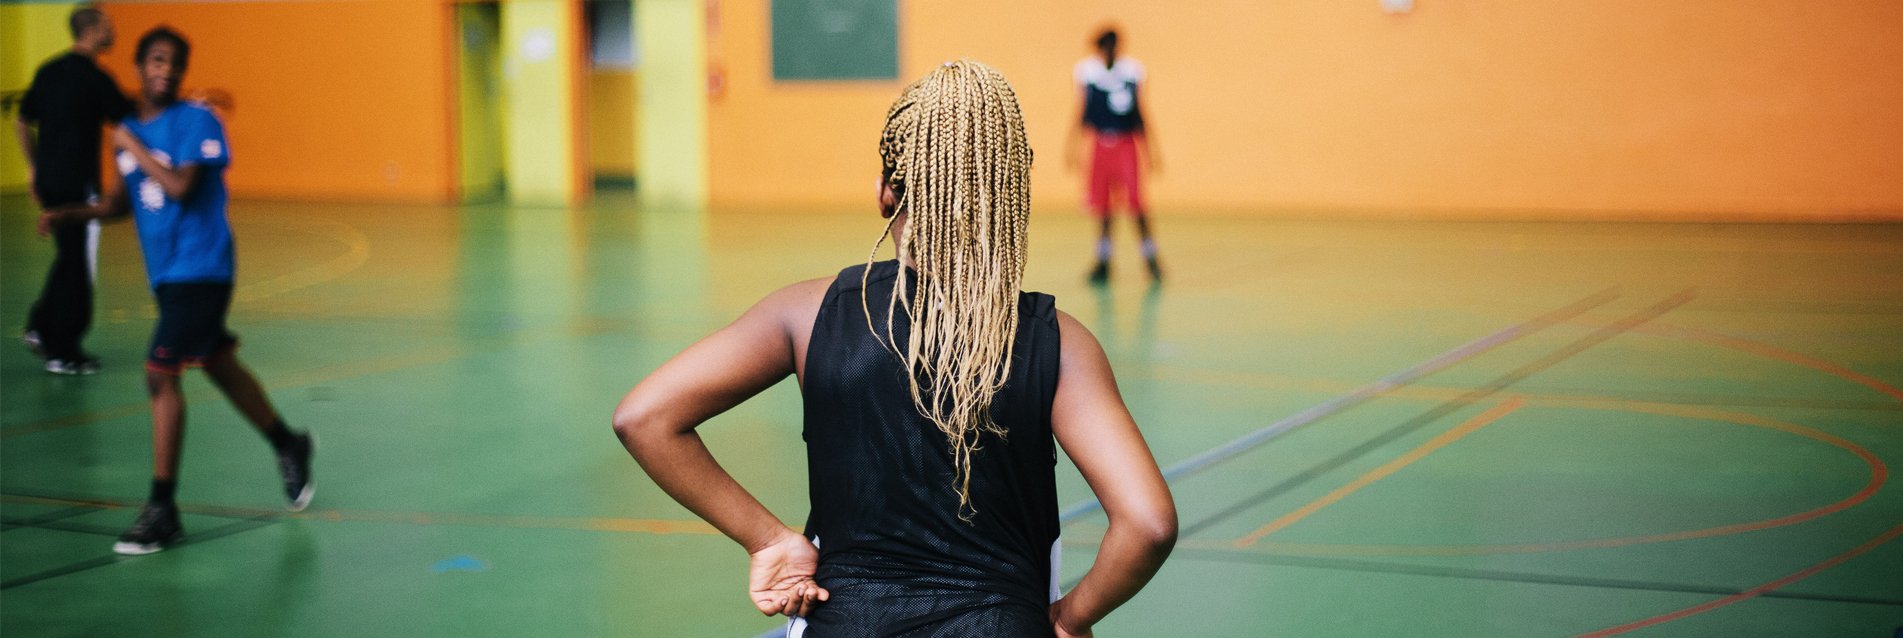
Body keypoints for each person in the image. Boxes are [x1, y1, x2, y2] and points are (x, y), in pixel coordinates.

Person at [614, 60, 1175, 637]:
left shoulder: (806, 314)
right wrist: (1071, 620)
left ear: (886, 192)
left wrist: (768, 539)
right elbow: (1147, 523)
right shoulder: (1059, 341)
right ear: (1009, 196)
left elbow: (645, 417)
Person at [37, 26, 315, 556]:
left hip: (204, 267)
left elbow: (181, 188)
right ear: (139, 67)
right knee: (216, 364)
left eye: (175, 64)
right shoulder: (128, 131)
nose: (166, 70)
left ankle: (163, 509)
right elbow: (123, 202)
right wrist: (71, 212)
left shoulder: (196, 121)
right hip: (166, 274)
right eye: (157, 61)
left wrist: (131, 145)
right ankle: (289, 442)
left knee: (159, 372)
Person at [15, 5, 135, 374]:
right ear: (93, 29)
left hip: (51, 181)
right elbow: (127, 120)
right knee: (77, 266)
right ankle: (62, 350)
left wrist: (34, 169)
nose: (113, 30)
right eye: (108, 25)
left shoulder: (49, 71)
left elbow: (22, 119)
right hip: (78, 188)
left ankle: (40, 326)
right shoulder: (95, 79)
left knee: (68, 257)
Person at [1068, 27, 1162, 284]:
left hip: (1126, 144)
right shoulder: (1088, 72)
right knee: (1102, 206)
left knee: (1135, 203)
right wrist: (1073, 145)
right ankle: (1103, 260)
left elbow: (1141, 112)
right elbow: (1081, 110)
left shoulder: (1132, 71)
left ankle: (1151, 258)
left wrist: (1151, 149)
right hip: (1100, 143)